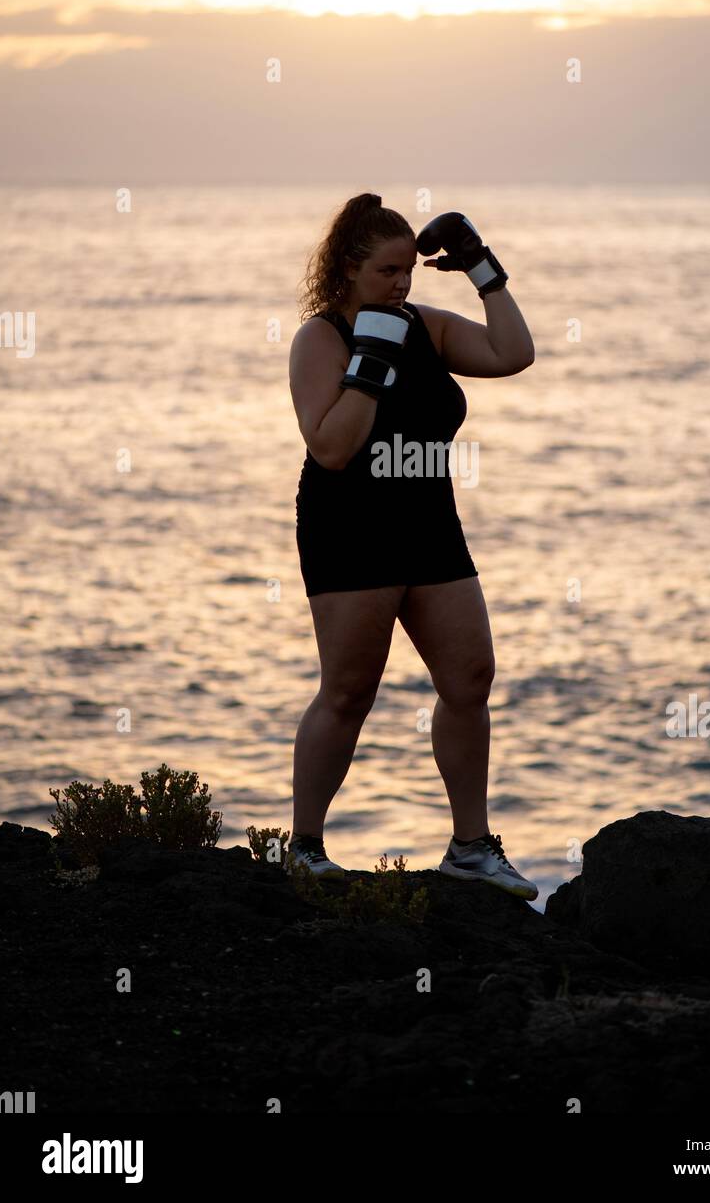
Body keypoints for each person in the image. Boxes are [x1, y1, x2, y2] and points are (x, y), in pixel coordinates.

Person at [287, 192, 538, 898]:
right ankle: (304, 848)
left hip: (429, 521)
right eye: (386, 272)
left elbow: (512, 352)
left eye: (409, 271)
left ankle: (470, 848)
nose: (401, 284)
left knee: (471, 681)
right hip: (350, 524)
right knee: (348, 692)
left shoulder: (424, 325)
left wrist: (484, 271)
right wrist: (369, 357)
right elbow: (332, 448)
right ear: (347, 268)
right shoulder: (320, 340)